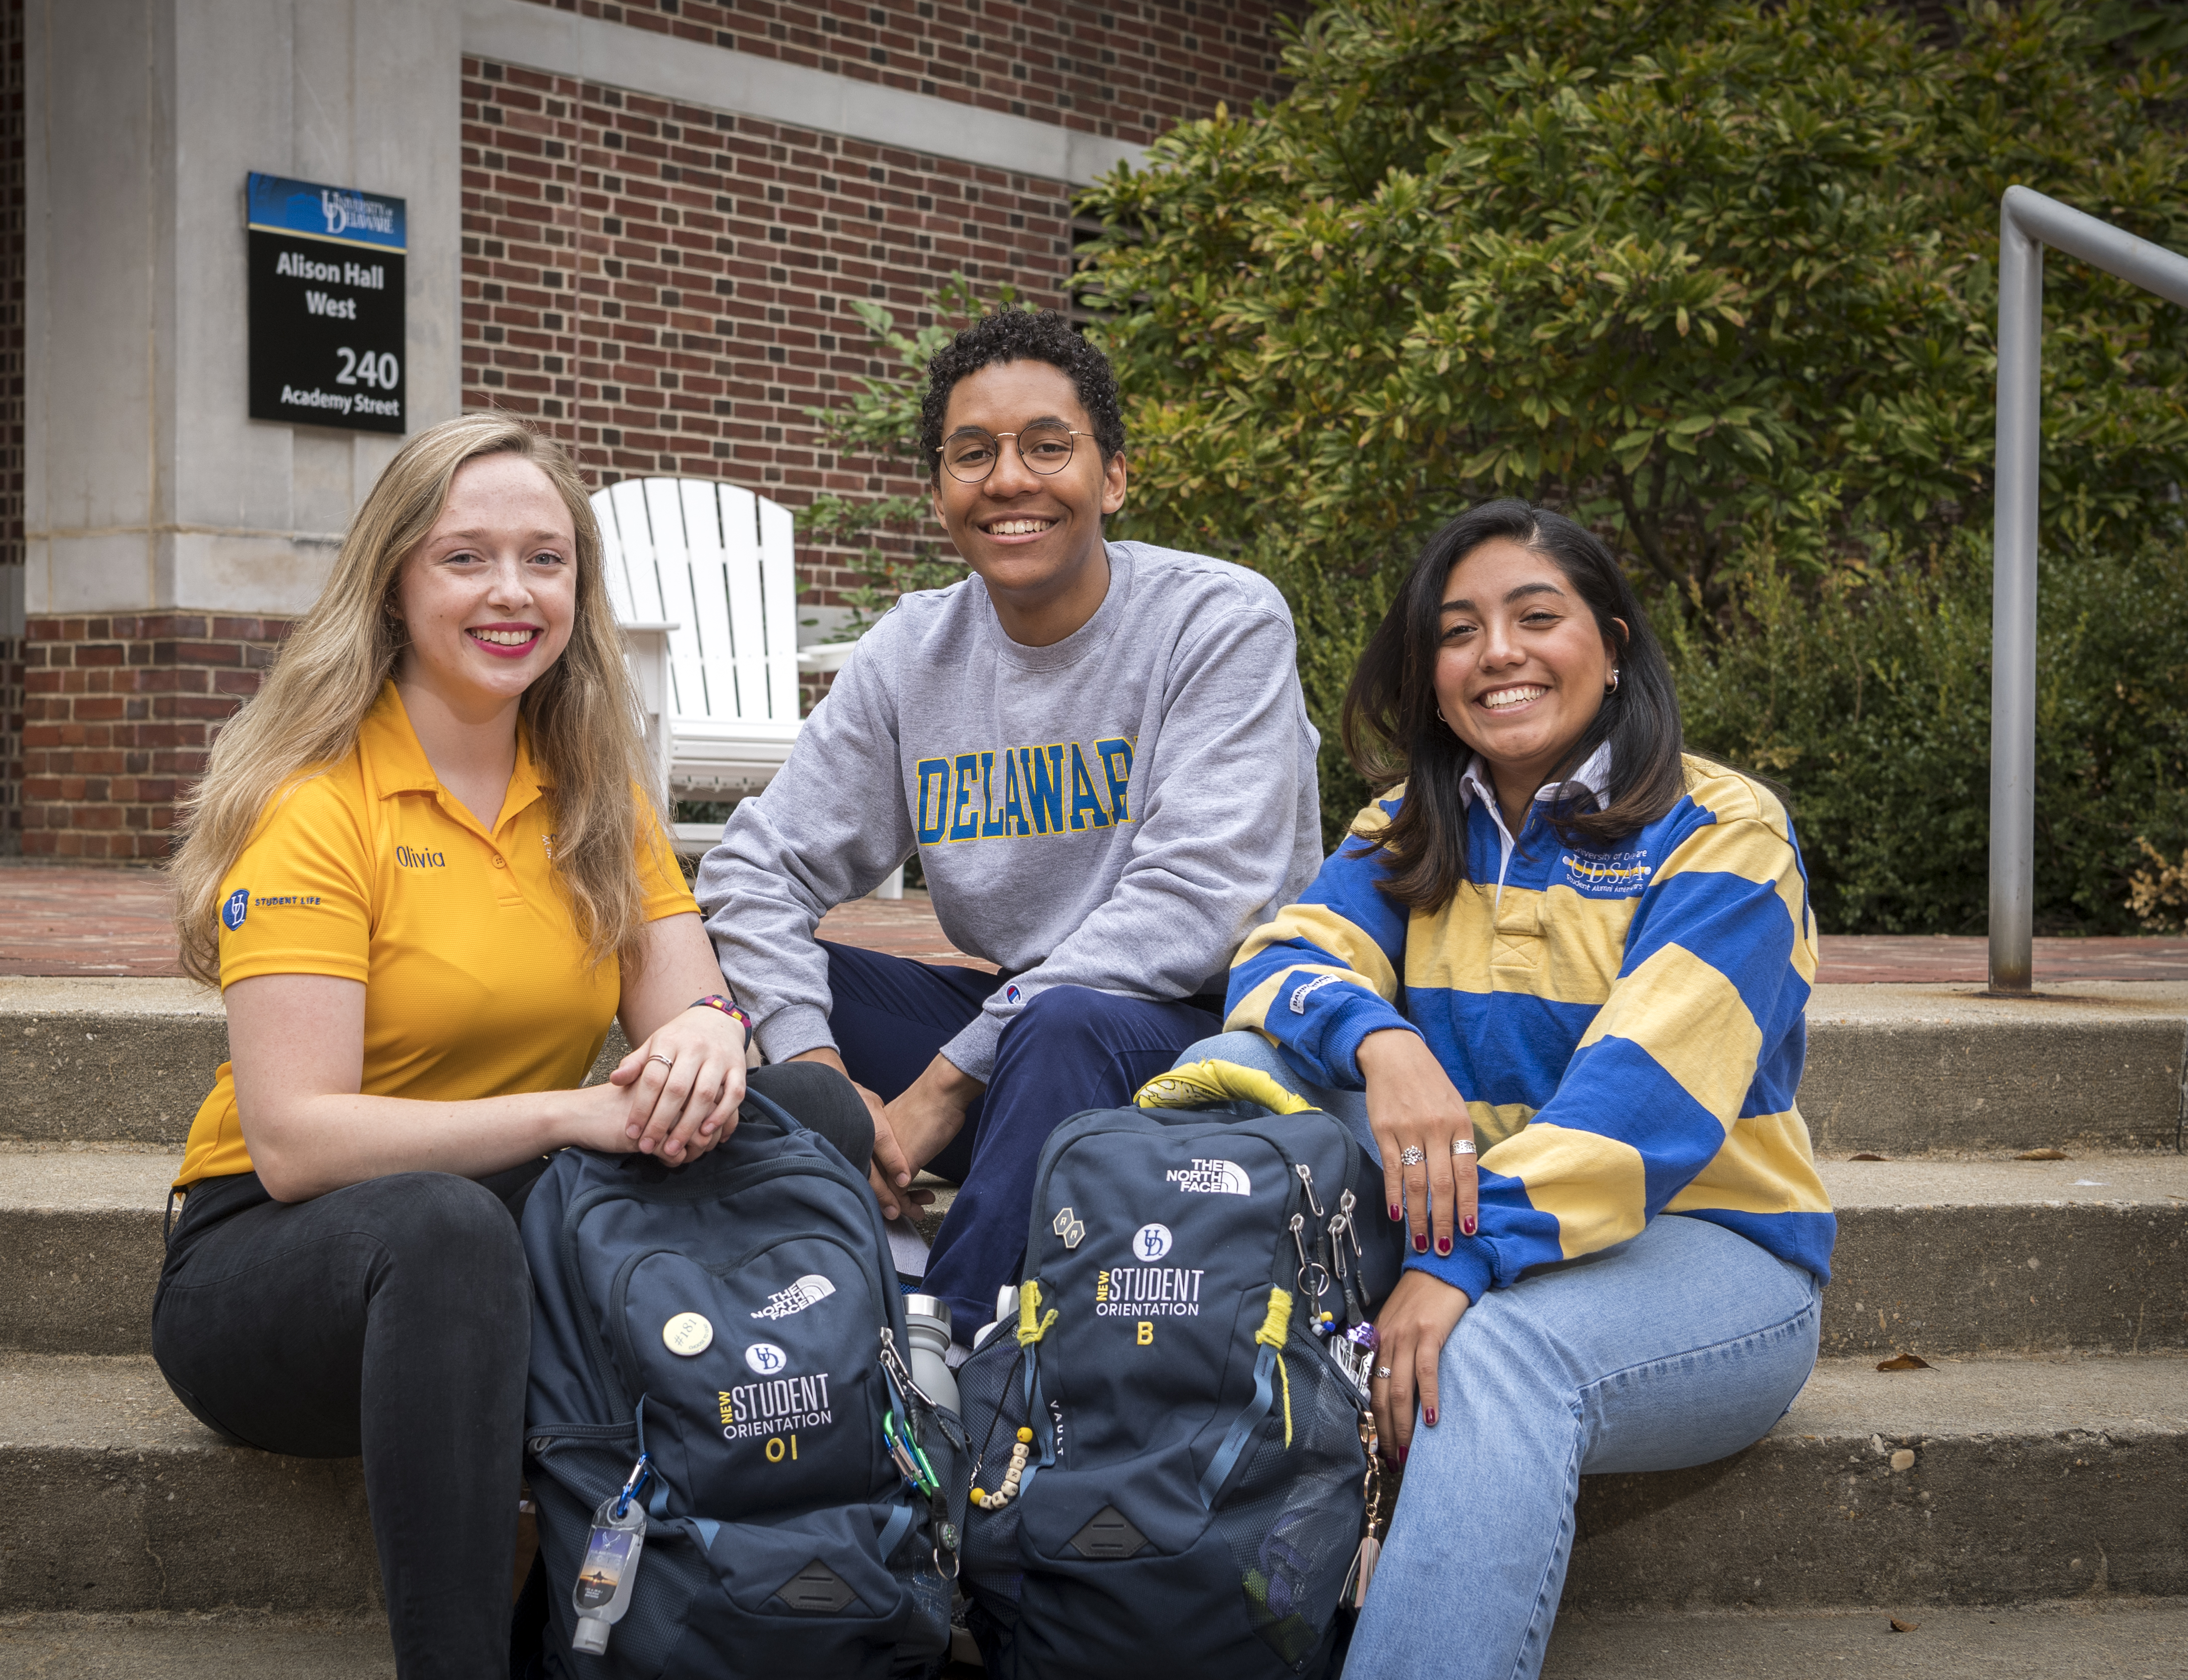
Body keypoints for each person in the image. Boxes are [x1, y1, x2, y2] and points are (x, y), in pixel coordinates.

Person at [152, 413, 868, 1678]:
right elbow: (294, 1141)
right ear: (394, 583)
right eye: (465, 558)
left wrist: (709, 1039)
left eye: (544, 559)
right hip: (289, 1265)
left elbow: (698, 1018)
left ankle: (808, 1552)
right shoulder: (320, 807)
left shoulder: (591, 792)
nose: (510, 593)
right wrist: (566, 1111)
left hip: (522, 1217)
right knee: (445, 1230)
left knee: (813, 1111)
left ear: (578, 590)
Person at [1181, 499, 1835, 1679]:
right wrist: (1385, 1043)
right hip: (1466, 1222)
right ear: (1430, 675)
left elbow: (1641, 1107)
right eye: (1459, 630)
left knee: (1491, 1358)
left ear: (1615, 645)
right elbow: (1273, 965)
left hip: (1705, 1253)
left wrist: (1454, 1267)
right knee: (1217, 1080)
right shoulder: (1410, 826)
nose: (1497, 653)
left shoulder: (1721, 832)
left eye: (1538, 617)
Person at [696, 308, 1324, 1342]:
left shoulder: (1217, 621)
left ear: (1111, 478)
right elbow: (753, 872)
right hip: (1023, 1045)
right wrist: (816, 1078)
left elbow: (1199, 903)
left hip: (1195, 1052)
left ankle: (946, 1354)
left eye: (1046, 445)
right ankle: (770, 1270)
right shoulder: (913, 651)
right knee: (707, 987)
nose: (1008, 479)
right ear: (939, 492)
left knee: (1060, 1021)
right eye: (972, 453)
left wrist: (945, 1081)